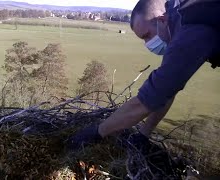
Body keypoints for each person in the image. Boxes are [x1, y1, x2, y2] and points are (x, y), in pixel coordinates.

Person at [68, 0, 220, 149]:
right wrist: (143, 135)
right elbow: (166, 90)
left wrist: (97, 132)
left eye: (147, 35)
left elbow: (144, 102)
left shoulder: (190, 25)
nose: (148, 43)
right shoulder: (185, 14)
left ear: (162, 19)